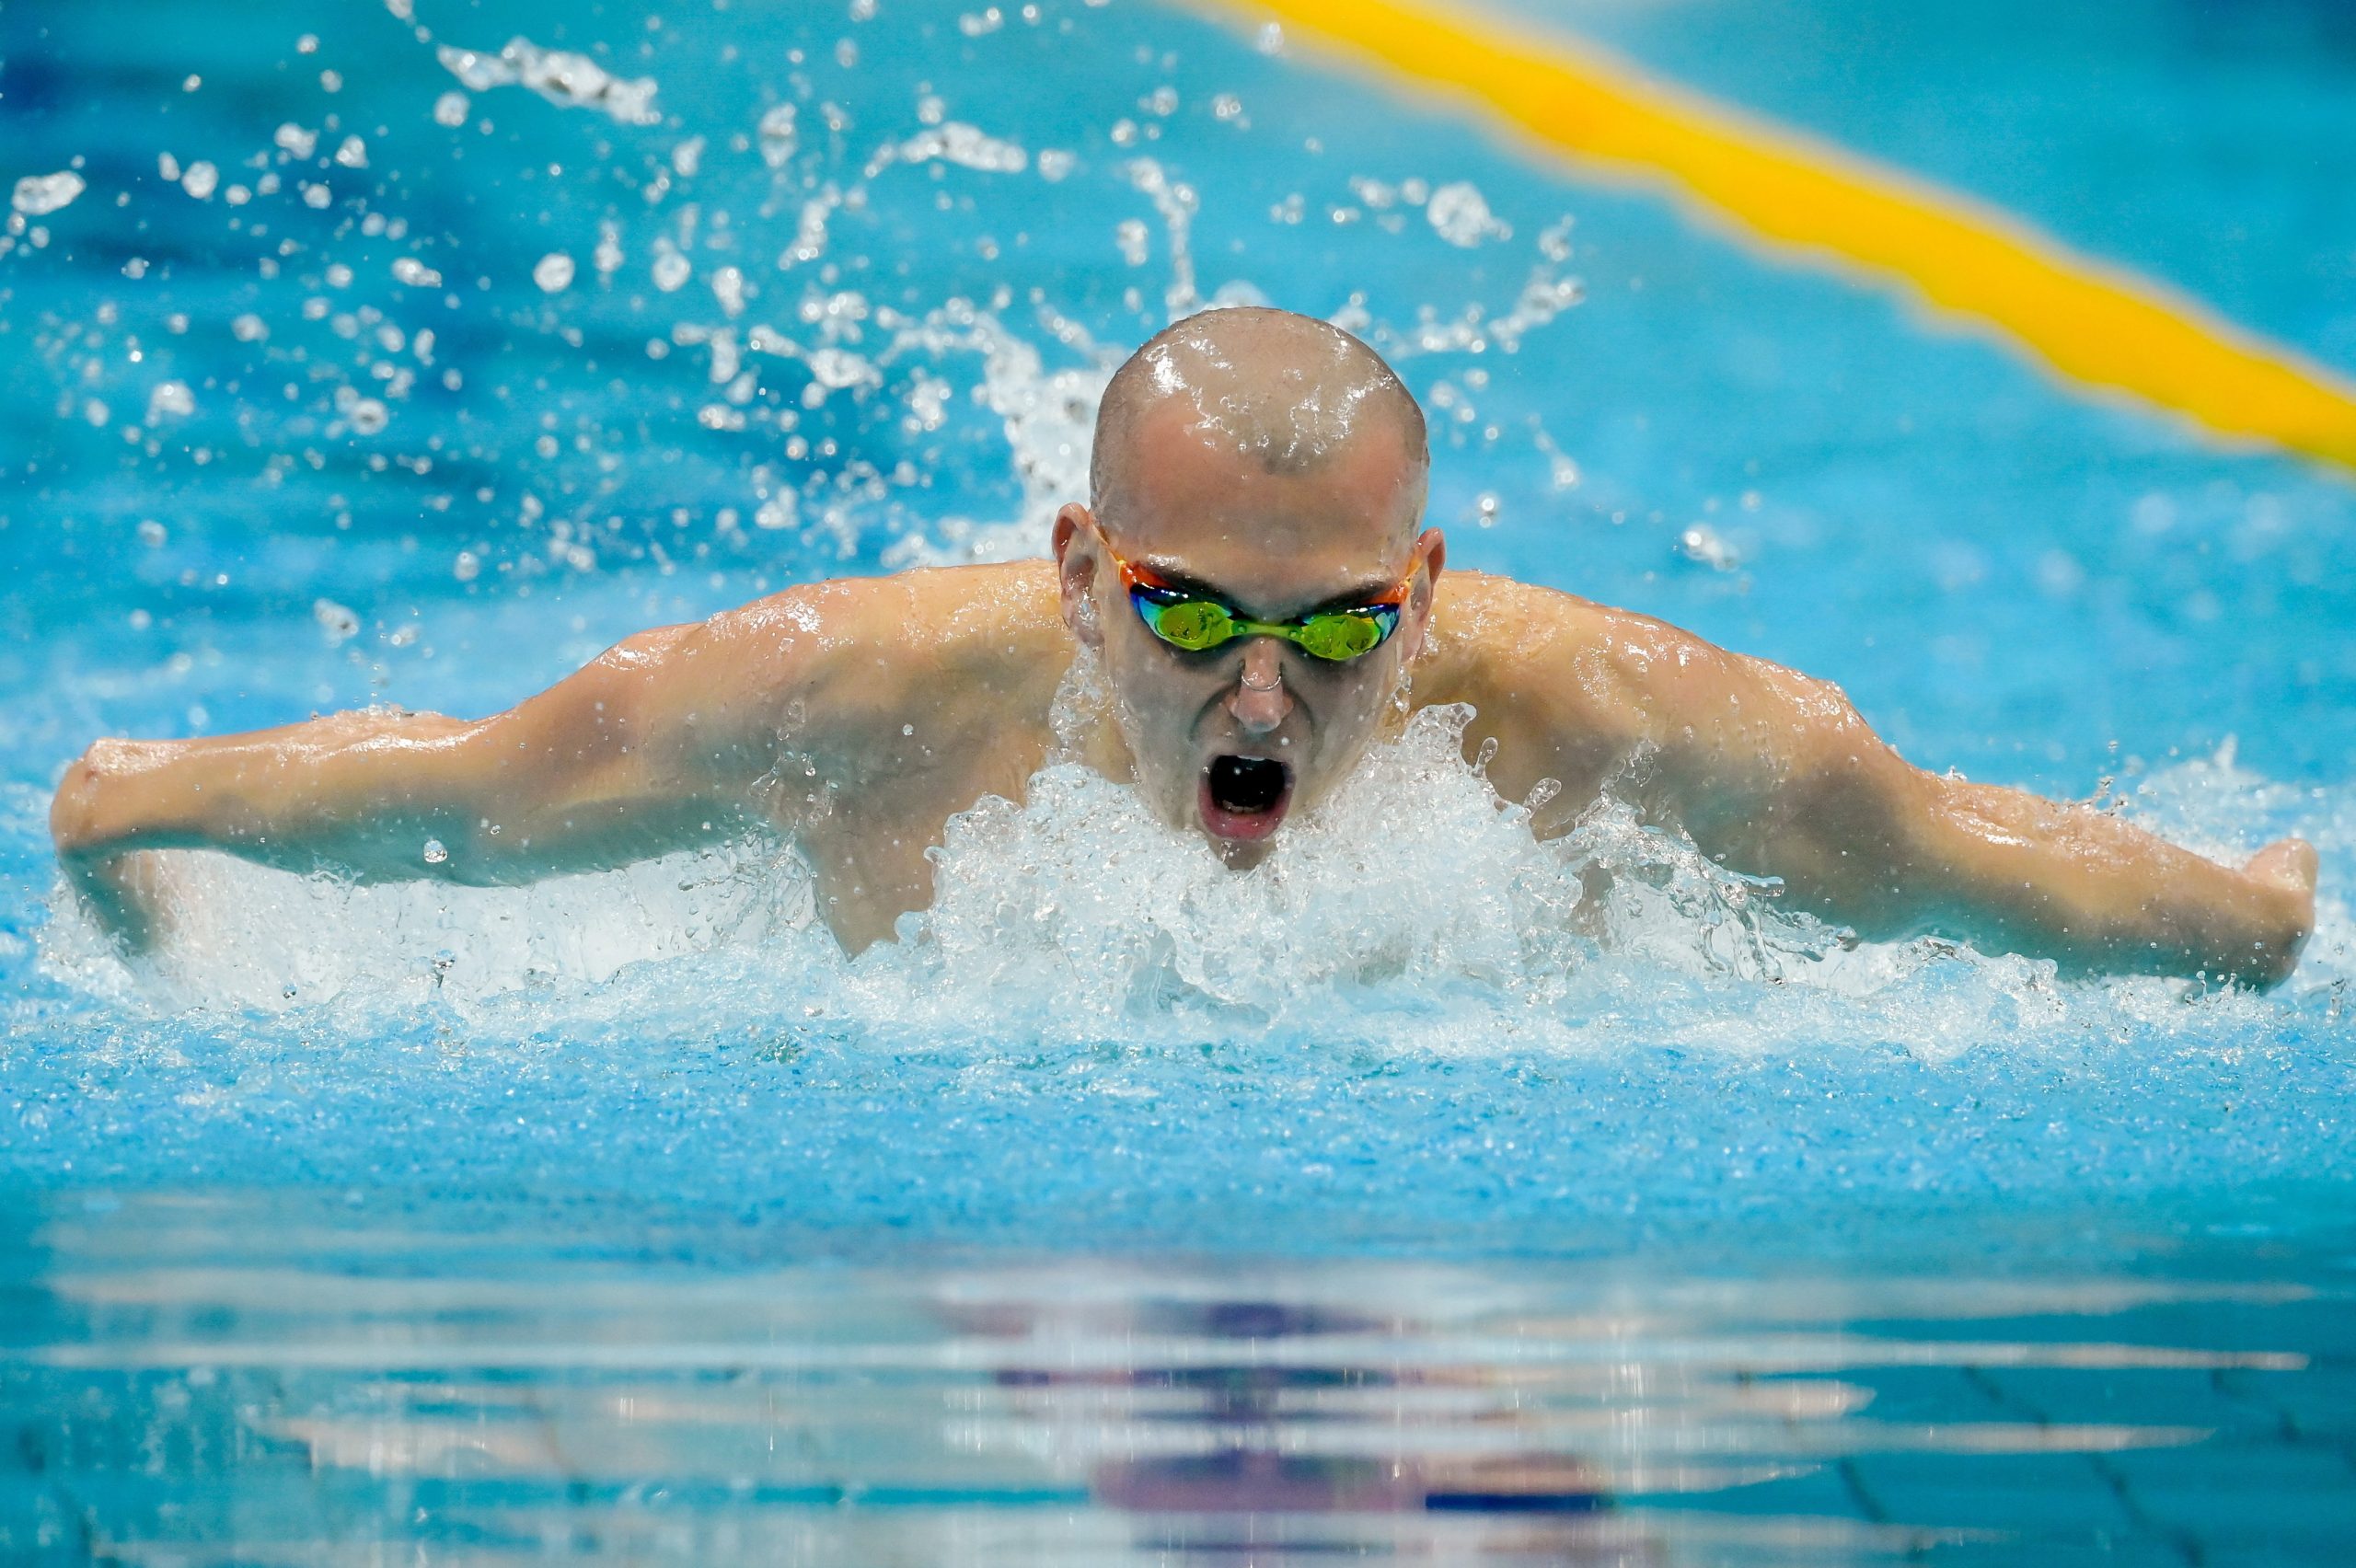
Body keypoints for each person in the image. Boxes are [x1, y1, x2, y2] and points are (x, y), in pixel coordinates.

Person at [50, 308, 2316, 983]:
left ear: (1422, 594)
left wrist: (2269, 936)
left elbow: (1966, 860)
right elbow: (453, 795)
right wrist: (127, 837)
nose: (1260, 698)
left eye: (1337, 627)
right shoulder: (825, 706)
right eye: (1186, 619)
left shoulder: (1615, 734)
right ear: (1072, 570)